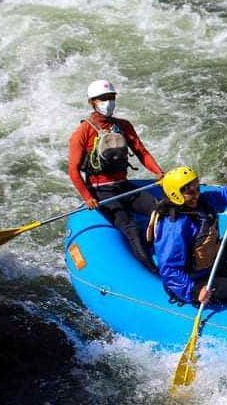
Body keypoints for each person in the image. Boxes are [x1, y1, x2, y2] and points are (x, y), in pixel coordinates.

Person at [149, 166, 227, 315]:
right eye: (191, 192)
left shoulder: (200, 202)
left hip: (207, 268)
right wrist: (195, 291)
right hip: (191, 282)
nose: (196, 195)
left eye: (197, 189)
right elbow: (170, 269)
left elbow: (220, 197)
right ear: (176, 195)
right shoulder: (175, 227)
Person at [68, 79, 164, 273]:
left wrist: (159, 173)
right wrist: (88, 198)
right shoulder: (83, 132)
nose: (108, 102)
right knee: (130, 227)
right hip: (101, 192)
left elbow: (141, 152)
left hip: (124, 186)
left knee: (161, 210)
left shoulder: (123, 126)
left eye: (111, 97)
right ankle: (151, 271)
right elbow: (73, 170)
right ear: (92, 103)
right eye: (103, 98)